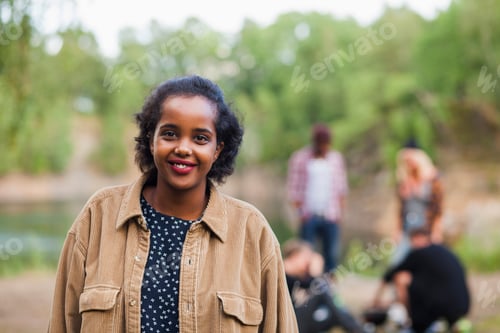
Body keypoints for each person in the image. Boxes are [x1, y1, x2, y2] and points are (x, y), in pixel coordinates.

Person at [48, 75, 298, 332]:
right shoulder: (98, 216)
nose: (183, 148)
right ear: (151, 139)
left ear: (217, 150)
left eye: (200, 138)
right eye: (170, 134)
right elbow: (62, 323)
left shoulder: (252, 232)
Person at [372, 227, 470, 333]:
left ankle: (412, 322)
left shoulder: (418, 253)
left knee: (402, 278)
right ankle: (449, 324)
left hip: (435, 309)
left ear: (418, 238)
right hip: (462, 307)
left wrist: (376, 300)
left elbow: (390, 275)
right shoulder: (446, 251)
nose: (411, 245)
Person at [286, 123, 348, 274]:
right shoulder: (301, 158)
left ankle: (328, 289)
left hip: (330, 214)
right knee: (306, 254)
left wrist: (340, 213)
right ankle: (307, 286)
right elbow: (294, 189)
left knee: (331, 255)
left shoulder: (335, 159)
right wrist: (300, 213)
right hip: (309, 215)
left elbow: (341, 188)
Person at [283, 239, 366, 333]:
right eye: (306, 258)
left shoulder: (292, 276)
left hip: (293, 322)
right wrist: (316, 273)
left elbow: (313, 284)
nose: (308, 264)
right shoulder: (282, 274)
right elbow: (317, 286)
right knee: (321, 292)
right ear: (295, 256)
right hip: (289, 324)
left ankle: (358, 328)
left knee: (332, 317)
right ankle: (359, 329)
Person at [391, 143, 444, 265]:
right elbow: (401, 209)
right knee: (399, 261)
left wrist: (437, 229)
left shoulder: (432, 179)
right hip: (408, 226)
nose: (409, 164)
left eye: (411, 160)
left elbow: (437, 207)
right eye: (406, 161)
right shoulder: (404, 181)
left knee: (428, 262)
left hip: (426, 227)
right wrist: (397, 230)